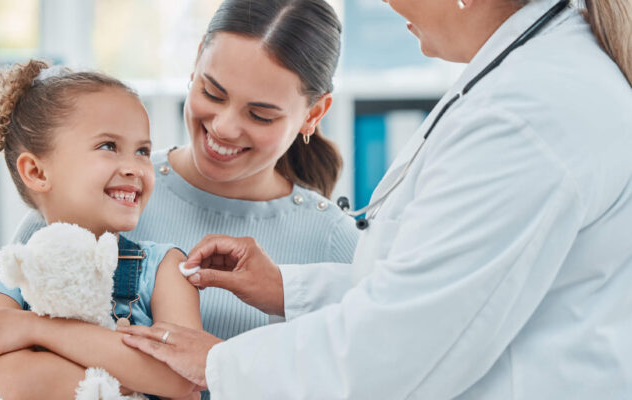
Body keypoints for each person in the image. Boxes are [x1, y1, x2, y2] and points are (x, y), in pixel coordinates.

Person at [119, 0, 632, 398]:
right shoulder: (532, 81)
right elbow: (437, 290)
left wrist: (217, 364)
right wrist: (286, 289)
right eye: (213, 92)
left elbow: (403, 344)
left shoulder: (528, 113)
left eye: (262, 113)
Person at [0, 1, 359, 399]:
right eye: (213, 93)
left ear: (313, 114)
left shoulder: (334, 243)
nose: (225, 127)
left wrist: (45, 337)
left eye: (260, 115)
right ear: (196, 63)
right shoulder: (92, 195)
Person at [0, 59, 202, 399]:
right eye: (108, 146)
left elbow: (183, 379)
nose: (135, 167)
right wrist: (136, 375)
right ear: (37, 172)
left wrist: (36, 330)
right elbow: (23, 385)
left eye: (142, 151)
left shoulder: (166, 267)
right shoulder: (0, 277)